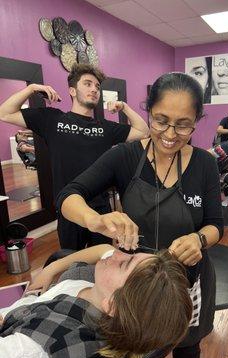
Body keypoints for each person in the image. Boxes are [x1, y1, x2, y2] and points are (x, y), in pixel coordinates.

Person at [56, 72, 224, 358]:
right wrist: (95, 219)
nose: (170, 134)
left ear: (197, 121)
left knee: (188, 348)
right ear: (148, 111)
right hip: (138, 287)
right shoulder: (125, 156)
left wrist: (199, 240)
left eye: (183, 124)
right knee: (145, 355)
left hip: (189, 280)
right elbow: (68, 195)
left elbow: (217, 224)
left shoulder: (204, 163)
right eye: (160, 120)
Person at [0, 244, 193, 358]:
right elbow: (104, 250)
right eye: (133, 254)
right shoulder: (95, 290)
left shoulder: (40, 348)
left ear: (114, 306)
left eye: (124, 263)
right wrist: (51, 269)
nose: (118, 253)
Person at [0, 63, 149, 250]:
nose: (94, 89)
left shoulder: (105, 128)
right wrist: (31, 88)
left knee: (100, 259)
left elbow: (143, 132)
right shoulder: (52, 119)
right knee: (71, 262)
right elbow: (4, 113)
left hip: (100, 210)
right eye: (88, 84)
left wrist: (124, 107)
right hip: (69, 209)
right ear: (72, 90)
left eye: (97, 86)